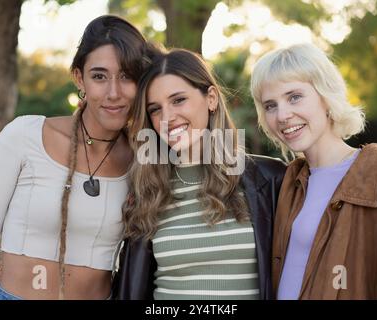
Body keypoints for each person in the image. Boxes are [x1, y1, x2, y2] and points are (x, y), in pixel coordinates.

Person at [0, 15, 153, 300]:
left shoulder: (143, 161)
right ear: (79, 78)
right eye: (99, 76)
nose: (113, 93)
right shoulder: (24, 136)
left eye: (127, 76)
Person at [113, 48, 286, 300]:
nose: (168, 117)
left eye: (178, 100)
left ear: (211, 98)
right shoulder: (148, 192)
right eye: (155, 109)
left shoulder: (269, 180)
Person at [250, 43, 377, 299]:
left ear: (326, 96)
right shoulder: (288, 183)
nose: (282, 115)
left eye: (294, 96)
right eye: (270, 105)